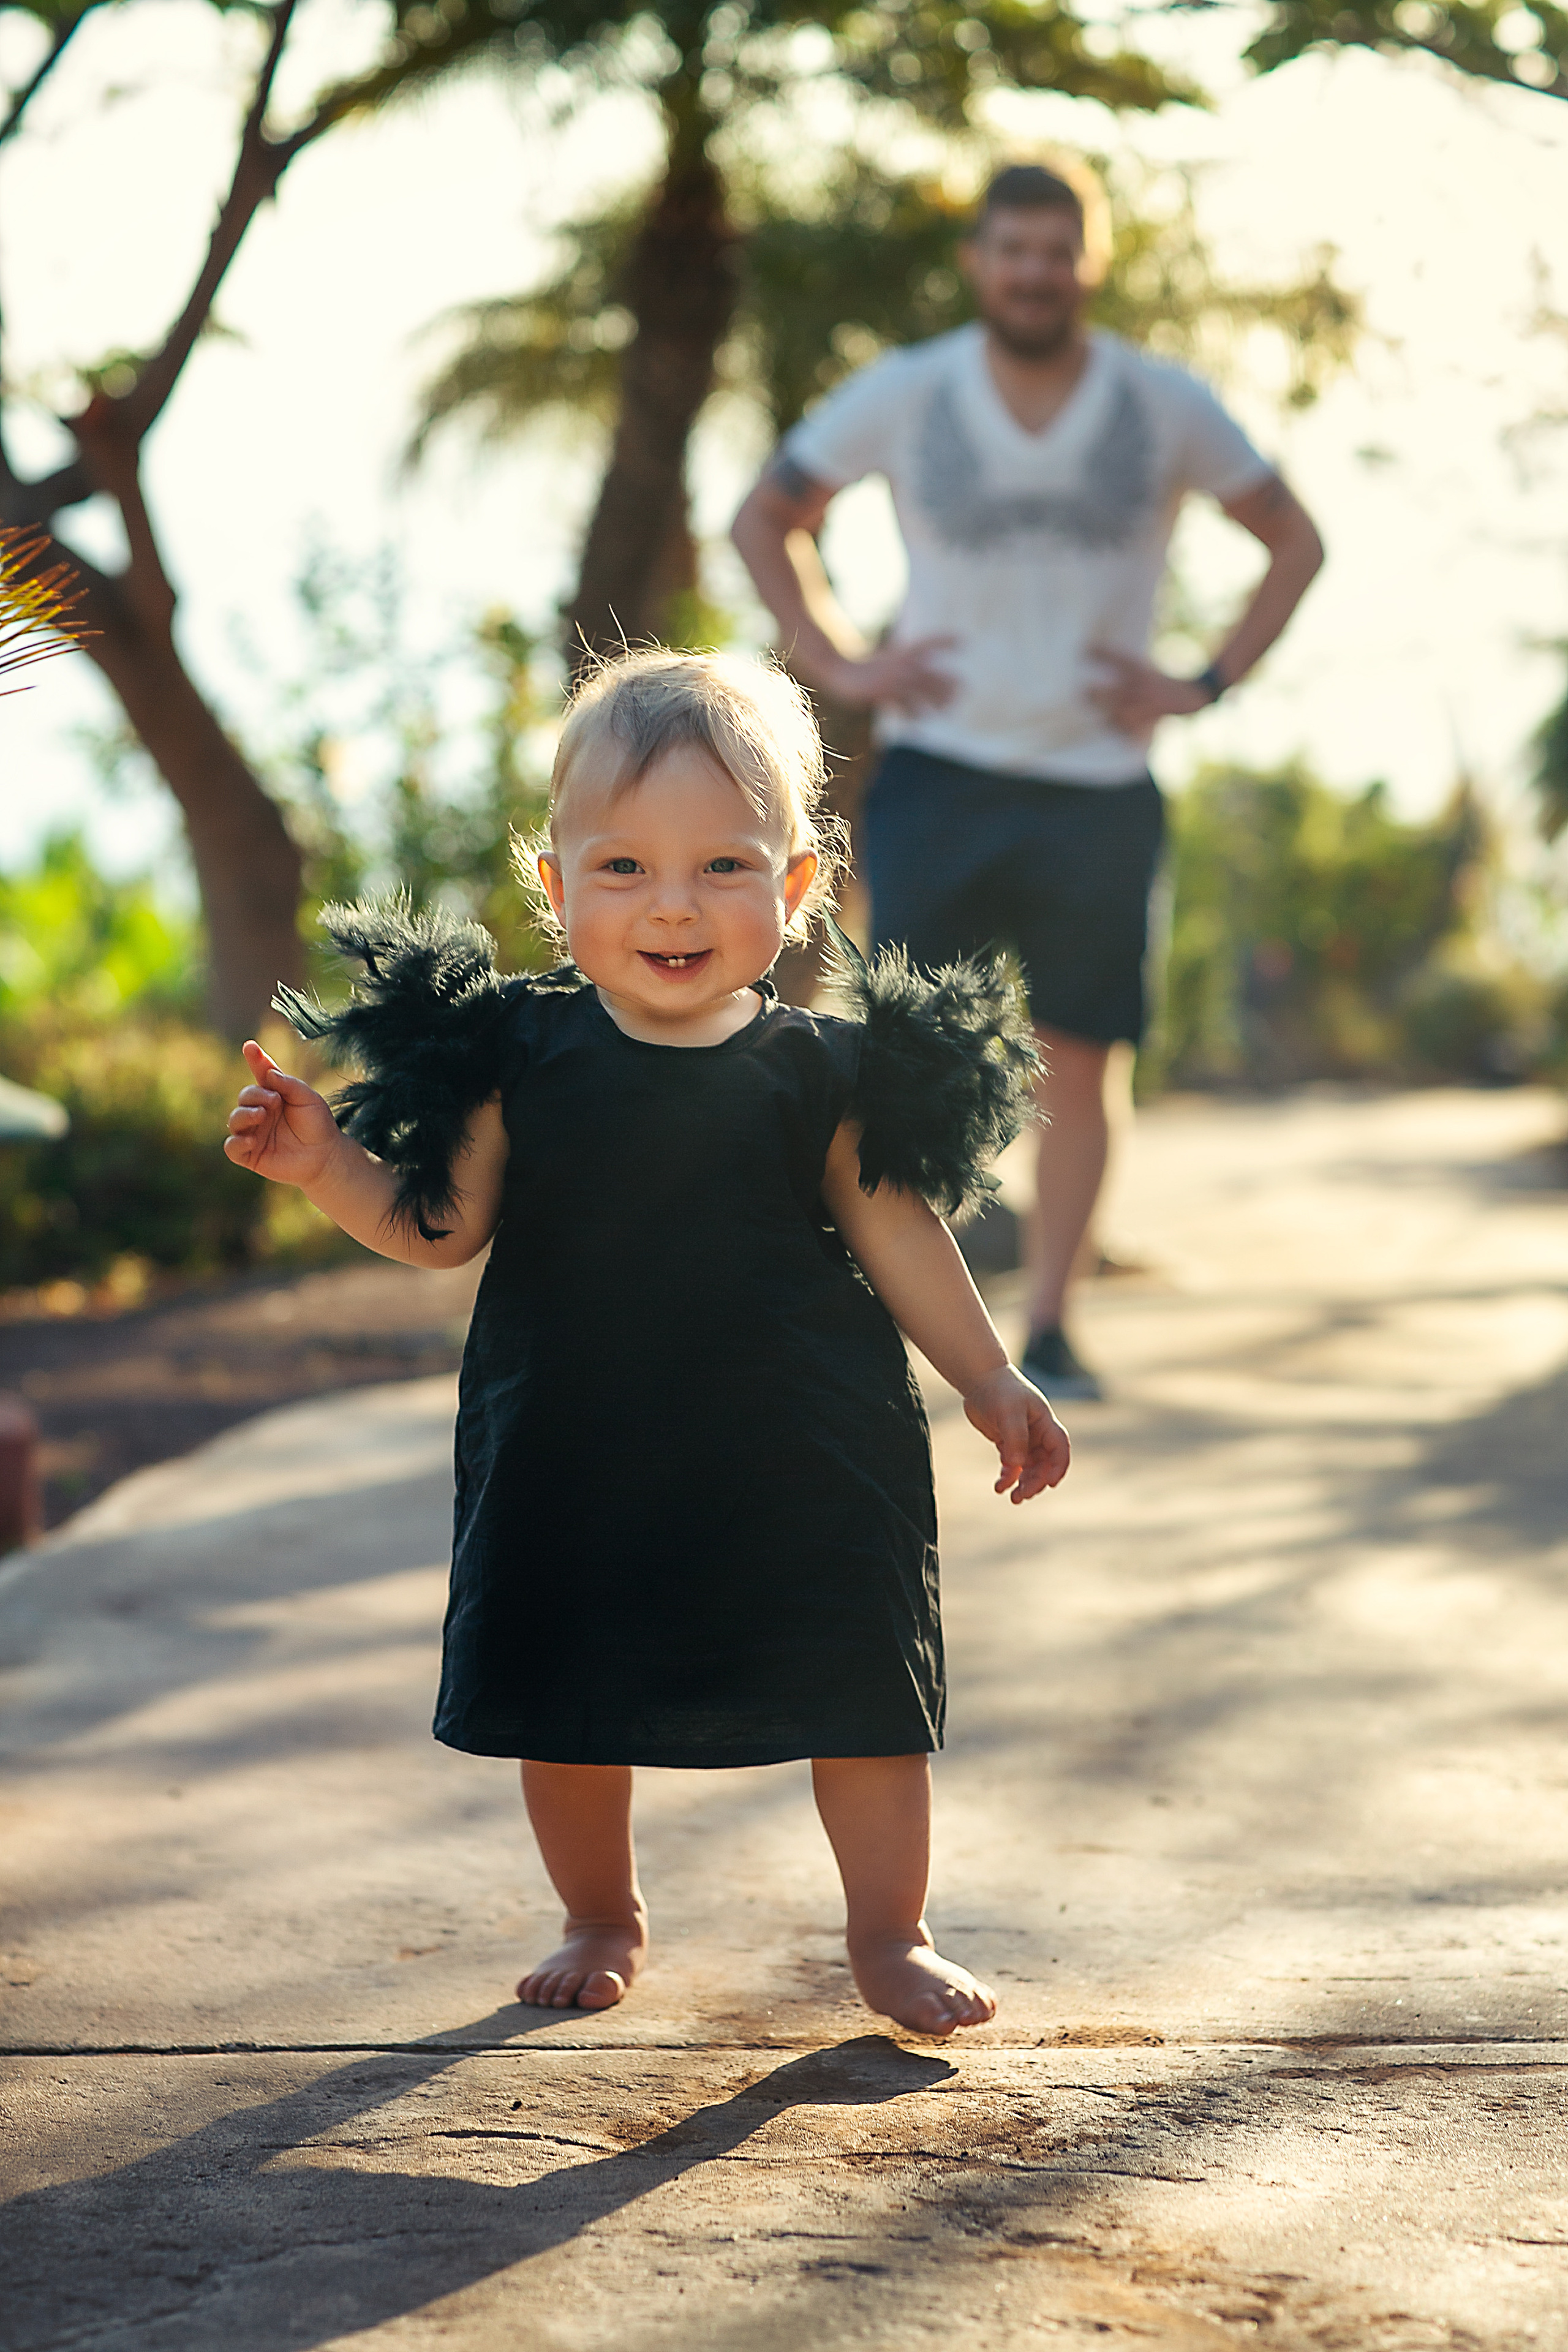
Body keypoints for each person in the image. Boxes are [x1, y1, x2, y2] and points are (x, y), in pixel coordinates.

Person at [223, 648, 1070, 2039]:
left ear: (796, 887)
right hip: (574, 1450)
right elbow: (440, 1228)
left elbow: (899, 1230)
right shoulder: (518, 1053)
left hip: (805, 1451)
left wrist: (987, 1373)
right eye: (622, 868)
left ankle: (889, 1932)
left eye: (723, 866)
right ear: (554, 891)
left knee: (862, 1683)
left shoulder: (821, 1069)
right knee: (564, 1688)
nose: (672, 904)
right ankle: (599, 1913)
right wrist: (326, 1168)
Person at [731, 159, 1325, 1398]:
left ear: (1089, 264)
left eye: (1058, 251)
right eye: (1013, 250)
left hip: (1098, 782)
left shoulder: (1163, 403)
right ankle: (884, 1321)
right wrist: (839, 660)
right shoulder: (908, 390)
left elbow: (1293, 538)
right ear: (978, 262)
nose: (1034, 272)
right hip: (939, 773)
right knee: (905, 1054)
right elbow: (765, 515)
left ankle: (1050, 1326)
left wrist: (1202, 682)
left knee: (1082, 1060)